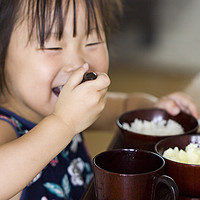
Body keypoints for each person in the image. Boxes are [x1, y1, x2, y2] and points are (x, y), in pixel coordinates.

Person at [0, 0, 198, 199]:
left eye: (92, 43)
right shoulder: (6, 126)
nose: (79, 63)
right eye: (53, 47)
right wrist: (64, 123)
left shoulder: (69, 107)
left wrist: (156, 109)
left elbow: (125, 106)